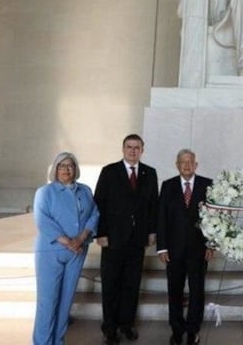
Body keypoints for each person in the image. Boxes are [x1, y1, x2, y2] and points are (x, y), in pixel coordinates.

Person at [94, 134, 159, 344]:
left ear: (142, 150)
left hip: (137, 239)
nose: (133, 151)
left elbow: (153, 207)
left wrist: (152, 231)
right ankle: (110, 328)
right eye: (129, 147)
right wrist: (100, 233)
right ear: (123, 149)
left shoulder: (150, 173)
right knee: (111, 284)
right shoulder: (109, 171)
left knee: (132, 284)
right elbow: (99, 204)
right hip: (113, 238)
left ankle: (127, 325)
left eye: (137, 147)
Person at [33, 152, 99, 345]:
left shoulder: (85, 191)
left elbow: (94, 214)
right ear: (55, 169)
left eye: (70, 166)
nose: (66, 169)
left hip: (77, 252)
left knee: (65, 302)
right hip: (51, 252)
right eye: (61, 166)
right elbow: (42, 220)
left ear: (75, 169)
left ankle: (58, 341)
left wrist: (81, 238)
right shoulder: (45, 192)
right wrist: (68, 241)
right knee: (47, 302)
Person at [156, 149, 214, 345]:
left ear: (196, 165)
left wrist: (211, 245)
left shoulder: (208, 185)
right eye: (183, 162)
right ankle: (177, 329)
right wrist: (161, 248)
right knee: (175, 290)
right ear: (177, 165)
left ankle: (192, 330)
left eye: (190, 161)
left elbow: (215, 219)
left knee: (197, 291)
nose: (187, 165)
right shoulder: (168, 186)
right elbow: (161, 218)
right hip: (173, 250)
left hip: (199, 250)